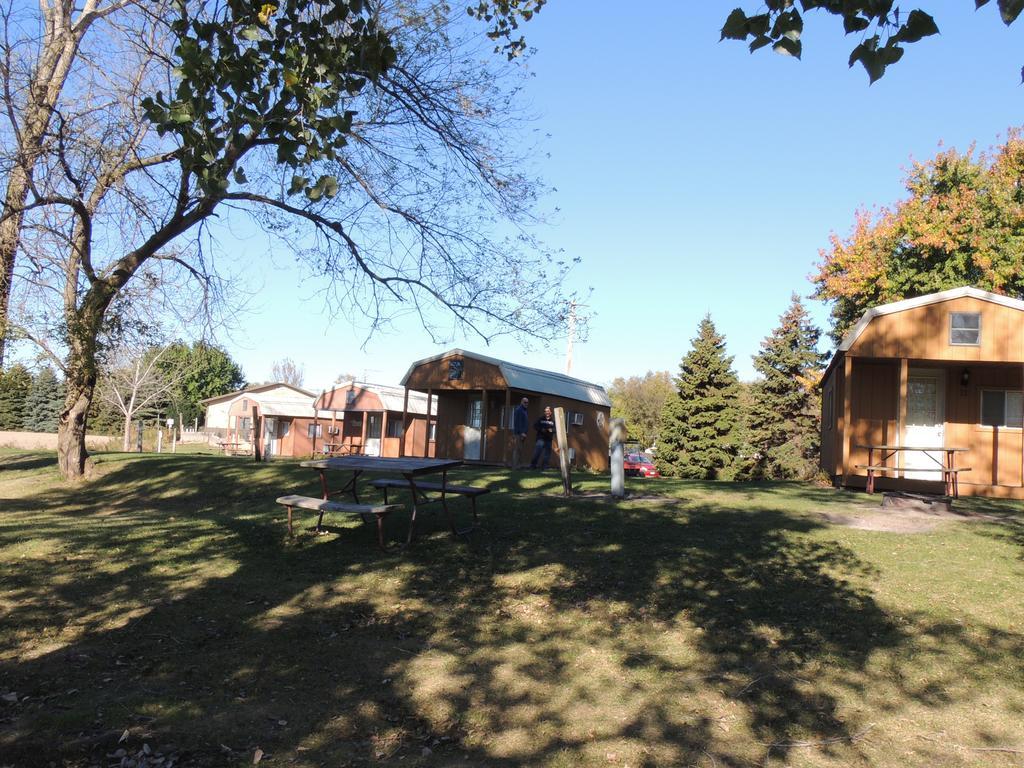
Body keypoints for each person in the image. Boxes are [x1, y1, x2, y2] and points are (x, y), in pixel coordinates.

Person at [512, 396, 529, 467]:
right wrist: (522, 432)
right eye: (525, 402)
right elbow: (517, 422)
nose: (526, 404)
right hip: (519, 434)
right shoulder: (519, 410)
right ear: (521, 402)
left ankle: (519, 465)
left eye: (527, 403)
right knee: (517, 449)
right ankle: (515, 466)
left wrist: (525, 432)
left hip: (523, 433)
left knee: (520, 449)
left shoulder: (524, 410)